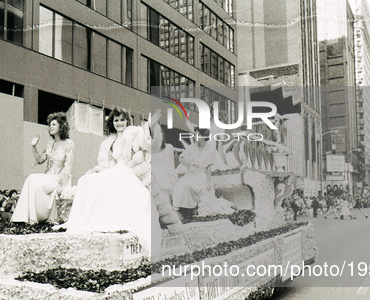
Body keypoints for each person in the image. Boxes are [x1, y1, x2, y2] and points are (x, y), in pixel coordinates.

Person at [60, 107, 152, 252]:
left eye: (122, 120)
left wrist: (148, 128)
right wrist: (97, 170)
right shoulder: (110, 140)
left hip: (130, 171)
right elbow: (107, 163)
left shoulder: (135, 133)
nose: (120, 123)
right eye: (116, 120)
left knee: (108, 182)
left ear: (128, 121)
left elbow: (147, 144)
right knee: (86, 180)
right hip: (116, 170)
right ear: (112, 122)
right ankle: (82, 220)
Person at [12, 112, 75, 224]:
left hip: (60, 179)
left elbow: (68, 166)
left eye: (54, 124)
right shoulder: (50, 143)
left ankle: (33, 218)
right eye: (50, 125)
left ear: (62, 126)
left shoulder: (69, 144)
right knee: (31, 179)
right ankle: (24, 218)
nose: (50, 127)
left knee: (34, 181)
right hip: (48, 176)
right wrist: (33, 146)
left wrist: (62, 185)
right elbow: (40, 160)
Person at [173, 129, 217, 218]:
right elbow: (182, 157)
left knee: (189, 185)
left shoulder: (211, 149)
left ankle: (191, 209)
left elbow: (209, 167)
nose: (194, 137)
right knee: (179, 184)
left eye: (197, 135)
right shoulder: (192, 147)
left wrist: (208, 181)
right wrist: (189, 164)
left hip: (202, 174)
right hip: (191, 173)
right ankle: (182, 210)